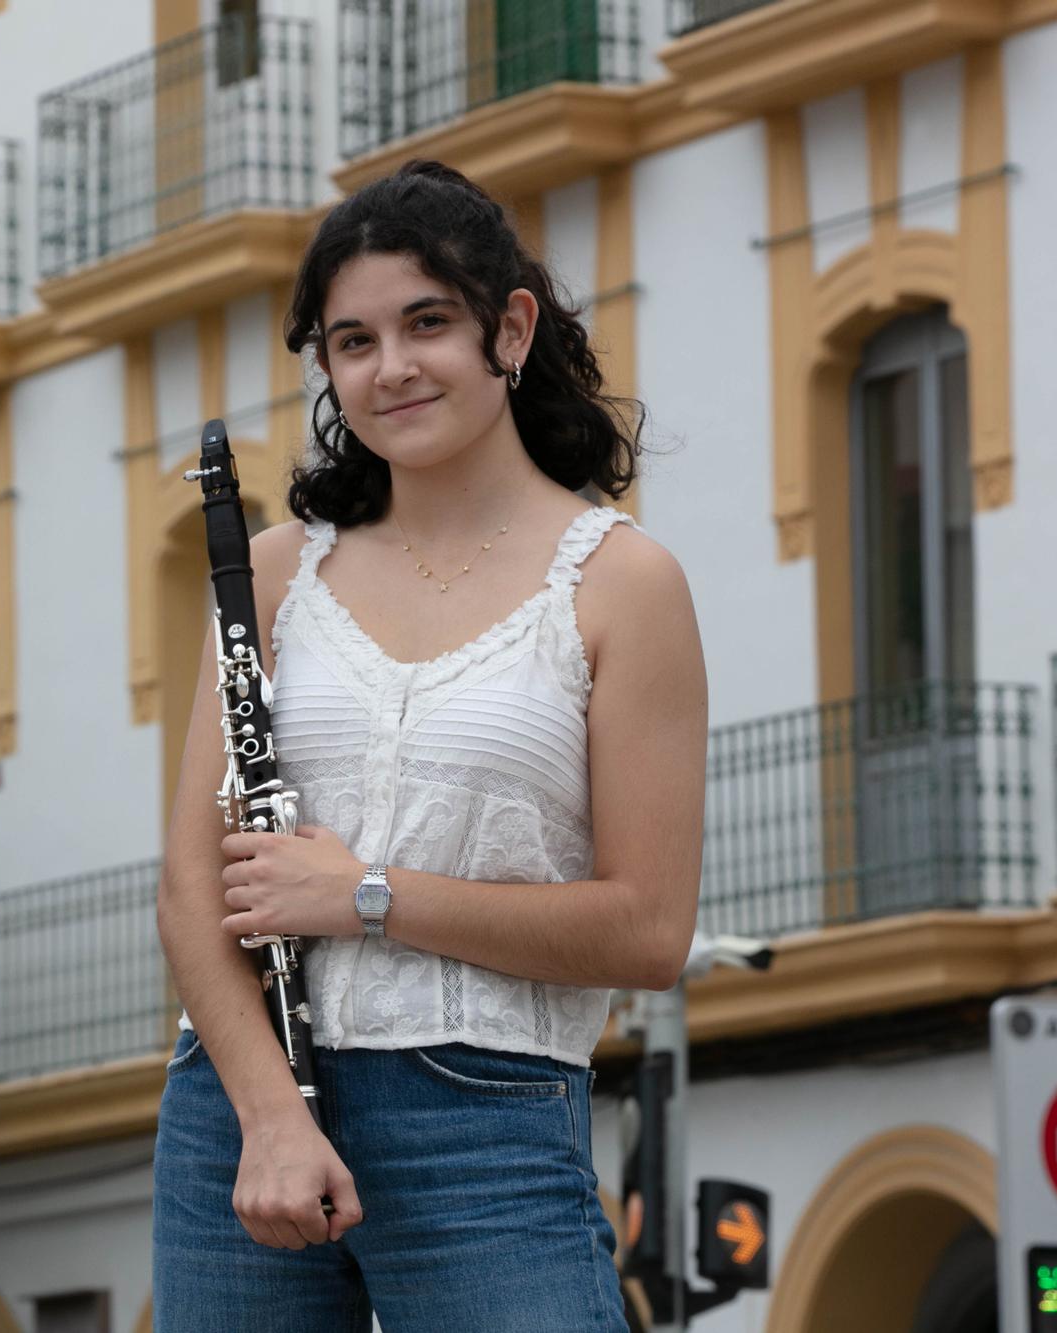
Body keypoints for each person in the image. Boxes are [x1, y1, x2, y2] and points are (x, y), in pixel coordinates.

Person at [150, 158, 709, 1331]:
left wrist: (362, 893)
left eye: (425, 323)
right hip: (238, 1111)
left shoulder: (622, 584)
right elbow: (192, 883)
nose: (390, 367)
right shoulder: (265, 573)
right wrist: (266, 1114)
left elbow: (647, 930)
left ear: (507, 330)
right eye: (351, 342)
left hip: (486, 1119)